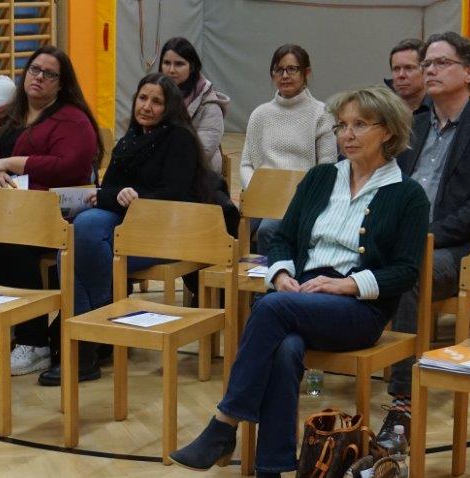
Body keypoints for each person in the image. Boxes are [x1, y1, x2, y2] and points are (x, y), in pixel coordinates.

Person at [170, 86, 429, 478]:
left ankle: (224, 424)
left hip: (358, 309)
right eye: (341, 125)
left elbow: (405, 271)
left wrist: (346, 285)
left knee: (271, 310)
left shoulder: (408, 194)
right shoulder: (320, 178)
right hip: (301, 295)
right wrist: (281, 274)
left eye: (359, 125)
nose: (346, 135)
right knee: (285, 348)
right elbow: (282, 237)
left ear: (387, 131)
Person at [36, 73, 211, 387]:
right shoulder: (130, 138)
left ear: (170, 107)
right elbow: (108, 190)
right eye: (142, 98)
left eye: (156, 101)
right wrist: (117, 197)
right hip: (125, 226)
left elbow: (172, 196)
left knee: (81, 237)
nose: (146, 106)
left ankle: (84, 344)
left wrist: (132, 198)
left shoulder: (179, 139)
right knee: (74, 241)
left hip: (164, 232)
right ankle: (93, 340)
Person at [388, 32, 470, 434]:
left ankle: (403, 398)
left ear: (469, 73)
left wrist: (423, 238)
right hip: (404, 239)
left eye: (441, 63)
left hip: (461, 249)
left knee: (410, 272)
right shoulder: (412, 125)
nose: (430, 70)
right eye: (426, 63)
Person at [0, 45, 100, 377]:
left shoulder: (73, 119)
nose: (39, 77)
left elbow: (68, 166)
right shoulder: (3, 115)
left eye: (49, 74)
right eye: (35, 69)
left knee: (8, 242)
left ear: (61, 83)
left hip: (47, 214)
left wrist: (7, 163)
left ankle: (33, 341)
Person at [238, 44, 336, 254]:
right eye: (278, 69)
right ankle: (241, 276)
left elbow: (327, 168)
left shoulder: (322, 113)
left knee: (268, 230)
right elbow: (246, 163)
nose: (285, 75)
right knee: (230, 229)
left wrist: (296, 196)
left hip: (300, 198)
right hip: (262, 195)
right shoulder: (260, 114)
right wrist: (259, 191)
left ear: (306, 73)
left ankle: (274, 275)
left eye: (292, 69)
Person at [159, 37, 230, 173]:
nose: (171, 70)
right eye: (166, 63)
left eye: (179, 64)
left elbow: (202, 151)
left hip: (199, 174)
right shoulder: (153, 96)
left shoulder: (210, 104)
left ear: (192, 67)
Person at [386, 38, 428, 113]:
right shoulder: (384, 111)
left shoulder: (440, 109)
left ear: (425, 70)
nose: (401, 75)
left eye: (409, 68)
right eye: (396, 69)